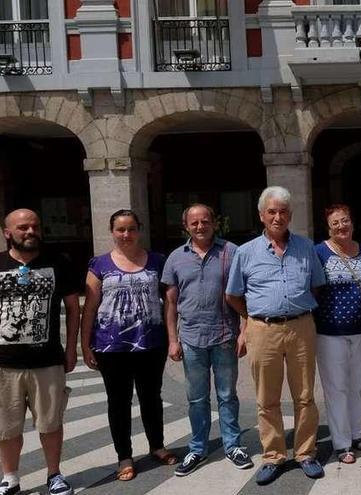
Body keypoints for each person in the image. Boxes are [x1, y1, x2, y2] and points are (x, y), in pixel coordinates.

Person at [0, 209, 79, 495]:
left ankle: (54, 475)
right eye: (23, 227)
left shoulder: (58, 263)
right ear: (7, 233)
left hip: (48, 360)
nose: (30, 232)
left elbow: (74, 309)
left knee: (51, 422)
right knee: (5, 426)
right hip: (3, 363)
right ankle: (10, 478)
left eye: (35, 226)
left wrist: (72, 348)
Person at [226, 186, 326, 485]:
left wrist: (296, 307)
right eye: (272, 211)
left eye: (283, 211)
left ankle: (306, 453)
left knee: (305, 394)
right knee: (266, 398)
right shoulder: (245, 252)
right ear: (261, 216)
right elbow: (233, 295)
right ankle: (274, 455)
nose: (278, 216)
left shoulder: (306, 247)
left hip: (301, 327)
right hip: (262, 329)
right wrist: (251, 318)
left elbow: (317, 285)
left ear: (290, 215)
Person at [80, 209, 174, 481]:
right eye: (120, 229)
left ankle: (157, 445)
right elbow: (90, 308)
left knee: (151, 398)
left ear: (139, 230)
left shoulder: (157, 261)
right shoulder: (99, 264)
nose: (126, 234)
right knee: (118, 403)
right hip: (111, 348)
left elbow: (169, 303)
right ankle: (124, 456)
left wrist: (172, 337)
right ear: (112, 232)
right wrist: (85, 345)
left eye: (131, 229)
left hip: (150, 344)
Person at [162, 204, 252, 477]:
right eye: (194, 223)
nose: (200, 226)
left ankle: (232, 445)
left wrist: (245, 331)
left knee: (227, 396)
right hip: (191, 339)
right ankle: (197, 448)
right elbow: (170, 302)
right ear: (186, 227)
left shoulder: (232, 252)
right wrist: (172, 340)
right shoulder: (176, 257)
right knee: (197, 398)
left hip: (225, 336)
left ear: (215, 223)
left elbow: (246, 293)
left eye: (205, 221)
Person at [313, 204, 361, 464]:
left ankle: (357, 432)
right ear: (328, 227)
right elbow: (313, 290)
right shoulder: (319, 253)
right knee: (336, 387)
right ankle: (341, 442)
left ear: (352, 223)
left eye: (345, 220)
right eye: (335, 222)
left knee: (357, 384)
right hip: (329, 331)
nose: (341, 226)